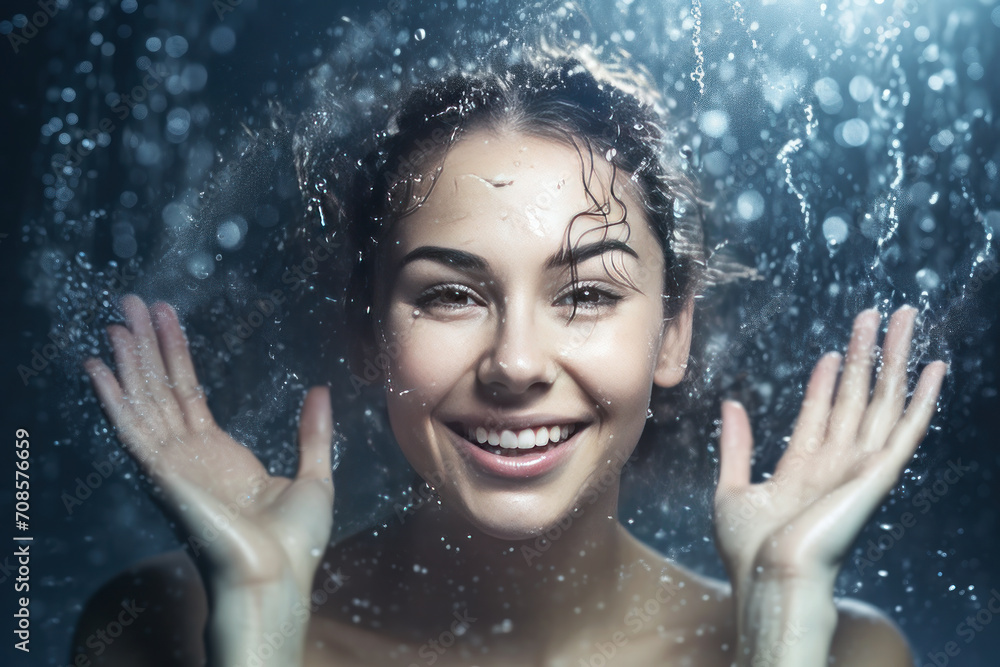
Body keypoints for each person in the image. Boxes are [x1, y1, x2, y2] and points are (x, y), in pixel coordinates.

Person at [72, 48, 948, 666]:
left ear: (673, 331)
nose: (517, 364)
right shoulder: (161, 627)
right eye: (451, 295)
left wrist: (782, 633)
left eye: (587, 295)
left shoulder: (843, 650)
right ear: (368, 331)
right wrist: (258, 623)